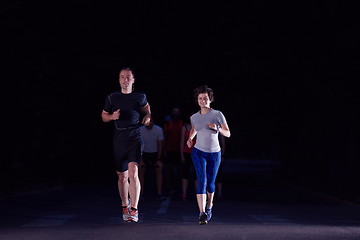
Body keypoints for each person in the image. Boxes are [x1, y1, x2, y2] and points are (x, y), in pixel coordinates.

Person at [101, 67, 151, 223]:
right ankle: (125, 205)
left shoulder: (140, 96)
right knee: (122, 177)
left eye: (128, 77)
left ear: (133, 80)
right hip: (119, 140)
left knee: (133, 172)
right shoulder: (112, 97)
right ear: (119, 80)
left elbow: (147, 108)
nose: (125, 79)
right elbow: (103, 116)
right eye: (122, 77)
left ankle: (134, 210)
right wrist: (112, 116)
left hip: (135, 138)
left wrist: (148, 116)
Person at [187, 85, 231, 225]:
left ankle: (209, 205)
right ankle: (202, 213)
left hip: (214, 153)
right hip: (198, 152)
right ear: (197, 100)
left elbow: (228, 133)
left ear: (210, 99)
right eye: (200, 98)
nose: (202, 101)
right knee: (201, 180)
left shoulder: (217, 114)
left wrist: (217, 128)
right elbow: (194, 129)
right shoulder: (194, 117)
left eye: (205, 98)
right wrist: (190, 139)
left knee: (211, 184)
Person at [139, 116, 165, 200]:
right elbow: (138, 145)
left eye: (150, 122)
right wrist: (141, 159)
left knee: (159, 170)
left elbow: (160, 145)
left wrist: (159, 159)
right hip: (144, 153)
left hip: (155, 153)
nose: (148, 123)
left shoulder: (158, 130)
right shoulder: (140, 130)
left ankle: (159, 193)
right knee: (141, 172)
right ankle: (141, 193)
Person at [163, 107, 184, 196]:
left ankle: (180, 188)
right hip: (169, 149)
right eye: (174, 112)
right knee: (169, 170)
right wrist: (164, 150)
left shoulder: (182, 123)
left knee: (180, 170)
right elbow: (164, 137)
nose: (175, 114)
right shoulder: (168, 123)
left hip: (179, 150)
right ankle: (169, 188)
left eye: (177, 112)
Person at [180, 115, 197, 200]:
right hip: (187, 152)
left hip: (197, 153)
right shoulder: (185, 127)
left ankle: (198, 193)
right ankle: (184, 193)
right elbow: (182, 141)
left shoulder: (198, 127)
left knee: (197, 173)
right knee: (185, 173)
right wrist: (182, 155)